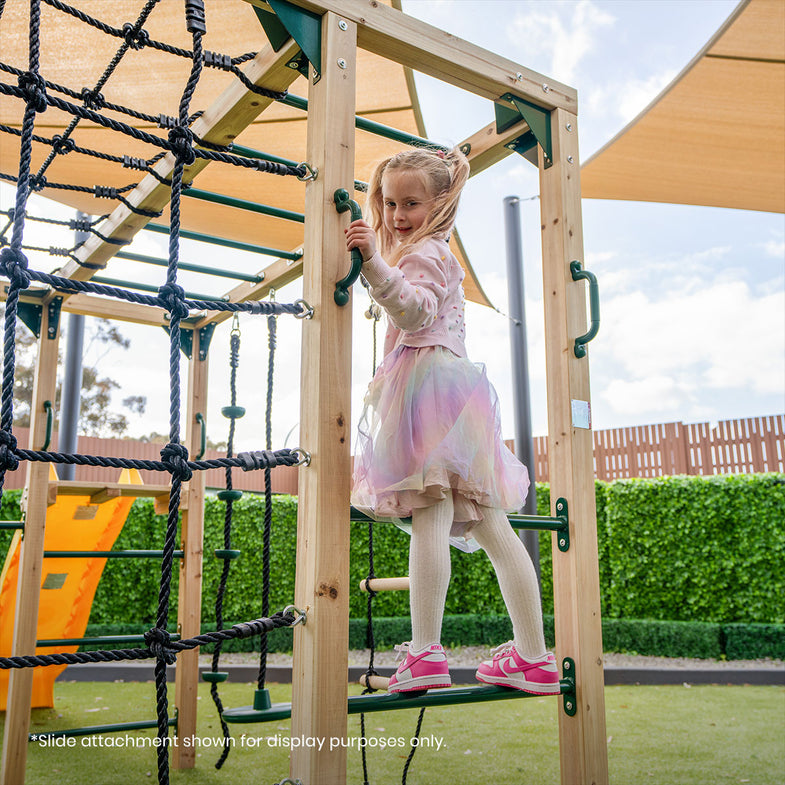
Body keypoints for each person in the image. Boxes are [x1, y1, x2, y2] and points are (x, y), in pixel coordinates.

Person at [345, 147, 559, 696]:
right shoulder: (431, 251)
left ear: (441, 203)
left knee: (430, 514)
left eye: (410, 203)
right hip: (455, 394)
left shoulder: (426, 253)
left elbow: (414, 311)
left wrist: (372, 262)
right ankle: (534, 656)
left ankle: (425, 652)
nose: (396, 215)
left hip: (428, 387)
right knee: (493, 527)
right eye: (389, 203)